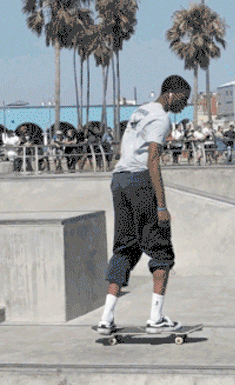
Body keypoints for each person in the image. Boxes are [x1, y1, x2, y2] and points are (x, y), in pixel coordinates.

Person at [94, 75, 191, 335]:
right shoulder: (161, 118)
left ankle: (106, 318)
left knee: (124, 248)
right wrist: (162, 205)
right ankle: (155, 318)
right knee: (161, 251)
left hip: (119, 179)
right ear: (170, 94)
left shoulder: (140, 111)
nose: (184, 105)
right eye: (183, 99)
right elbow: (153, 160)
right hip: (139, 180)